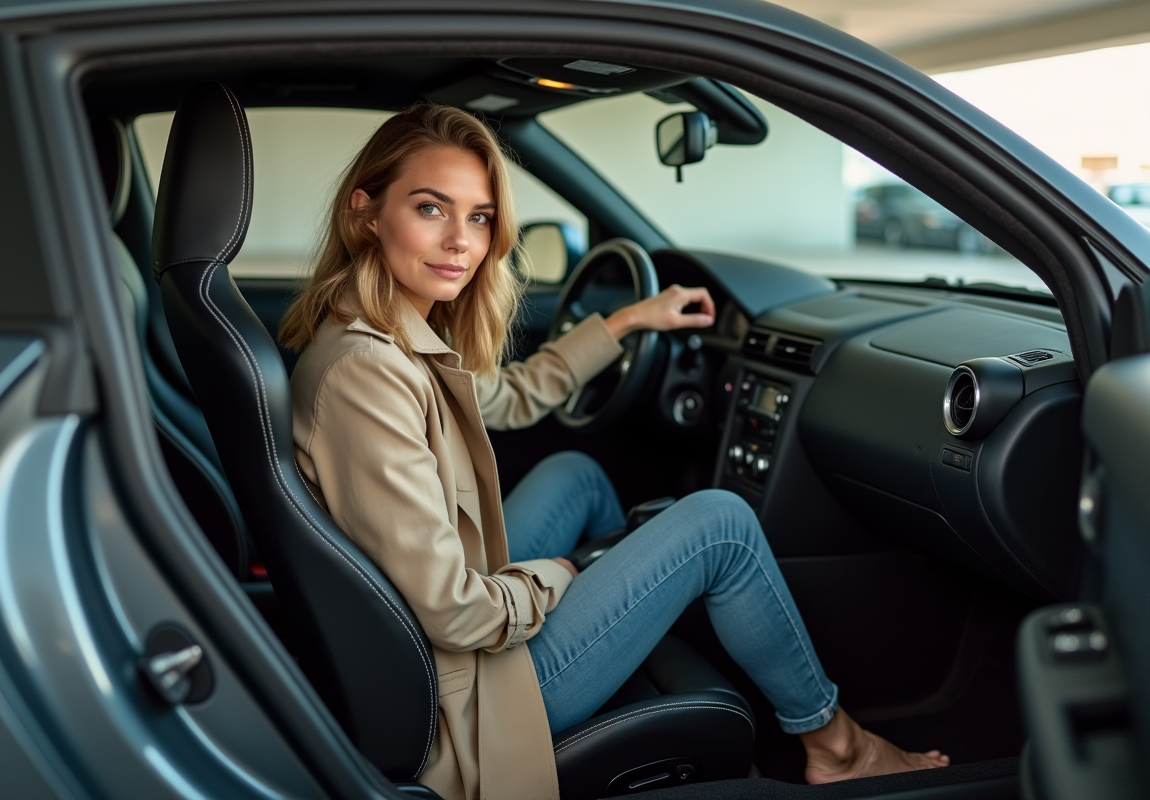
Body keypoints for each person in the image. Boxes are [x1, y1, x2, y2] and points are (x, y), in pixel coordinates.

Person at [281, 103, 948, 800]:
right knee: (720, 525)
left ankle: (642, 621)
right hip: (470, 701)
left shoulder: (387, 333)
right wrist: (558, 578)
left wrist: (630, 320)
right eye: (431, 208)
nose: (460, 242)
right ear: (365, 213)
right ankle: (837, 745)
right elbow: (453, 613)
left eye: (478, 218)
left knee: (577, 476)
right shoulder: (369, 375)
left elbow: (509, 397)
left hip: (442, 642)